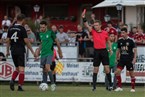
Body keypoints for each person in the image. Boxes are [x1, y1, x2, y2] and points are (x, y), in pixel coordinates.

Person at [81, 9, 112, 91]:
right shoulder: (93, 32)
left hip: (104, 51)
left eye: (97, 25)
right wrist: (84, 17)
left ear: (100, 25)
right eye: (94, 25)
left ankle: (111, 85)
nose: (95, 26)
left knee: (107, 69)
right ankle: (94, 87)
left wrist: (110, 49)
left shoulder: (105, 33)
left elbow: (108, 41)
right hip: (97, 51)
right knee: (95, 69)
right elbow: (87, 25)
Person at [6, 13, 36, 91]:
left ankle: (12, 80)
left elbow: (8, 41)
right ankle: (20, 86)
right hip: (20, 50)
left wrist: (7, 51)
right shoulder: (22, 29)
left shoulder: (11, 28)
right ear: (23, 20)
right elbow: (26, 41)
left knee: (17, 68)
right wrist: (33, 52)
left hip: (13, 50)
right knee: (22, 69)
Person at [36, 20, 63, 91]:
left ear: (46, 26)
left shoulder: (51, 32)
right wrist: (38, 51)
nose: (42, 29)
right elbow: (41, 43)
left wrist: (60, 52)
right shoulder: (40, 34)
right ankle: (44, 84)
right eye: (41, 27)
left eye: (43, 27)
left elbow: (57, 41)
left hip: (49, 53)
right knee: (44, 70)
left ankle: (53, 84)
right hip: (43, 54)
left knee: (48, 68)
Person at [115, 28, 137, 92]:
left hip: (129, 59)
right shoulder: (120, 40)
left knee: (131, 74)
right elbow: (118, 49)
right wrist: (116, 57)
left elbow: (135, 50)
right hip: (122, 59)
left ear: (127, 33)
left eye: (123, 33)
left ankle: (133, 88)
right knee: (117, 72)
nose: (122, 34)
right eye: (121, 33)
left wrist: (134, 58)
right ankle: (119, 87)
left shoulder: (131, 40)